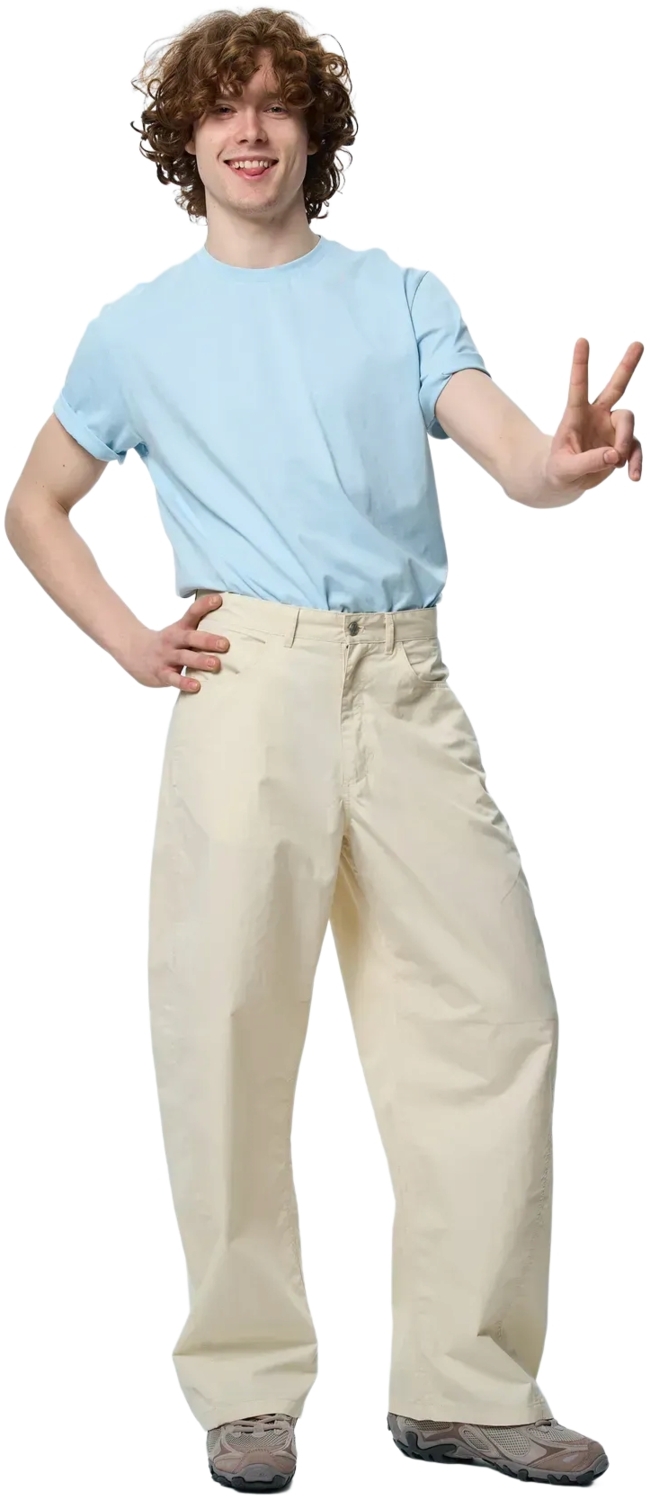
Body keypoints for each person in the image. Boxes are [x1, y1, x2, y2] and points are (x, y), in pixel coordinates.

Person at [5, 6, 643, 1492]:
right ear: (185, 139)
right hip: (246, 690)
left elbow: (512, 455)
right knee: (226, 1031)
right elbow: (34, 503)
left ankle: (463, 1386)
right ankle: (245, 1385)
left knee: (495, 1014)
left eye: (279, 106)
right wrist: (129, 640)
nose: (251, 130)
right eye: (224, 108)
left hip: (404, 684)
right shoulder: (134, 331)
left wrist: (567, 465)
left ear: (314, 135)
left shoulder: (398, 295)